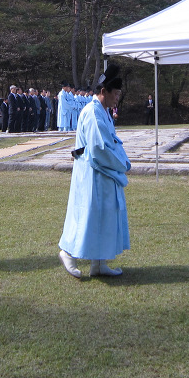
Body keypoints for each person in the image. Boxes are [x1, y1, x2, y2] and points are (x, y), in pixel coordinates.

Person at [58, 64, 131, 278]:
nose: (117, 98)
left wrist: (121, 159)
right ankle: (68, 252)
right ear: (104, 91)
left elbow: (112, 142)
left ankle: (99, 263)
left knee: (103, 216)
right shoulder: (92, 113)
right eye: (115, 94)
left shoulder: (103, 112)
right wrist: (121, 163)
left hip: (103, 173)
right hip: (93, 173)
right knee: (86, 215)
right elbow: (100, 149)